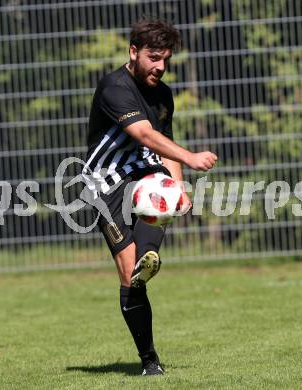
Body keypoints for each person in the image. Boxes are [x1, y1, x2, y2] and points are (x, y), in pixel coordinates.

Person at [82, 18, 217, 375]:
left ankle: (148, 256)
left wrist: (180, 189)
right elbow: (143, 134)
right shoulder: (115, 87)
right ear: (133, 52)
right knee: (129, 275)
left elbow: (165, 147)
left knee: (162, 202)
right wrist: (192, 156)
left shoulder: (164, 94)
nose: (160, 66)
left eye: (165, 60)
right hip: (105, 187)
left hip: (145, 176)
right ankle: (149, 360)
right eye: (153, 57)